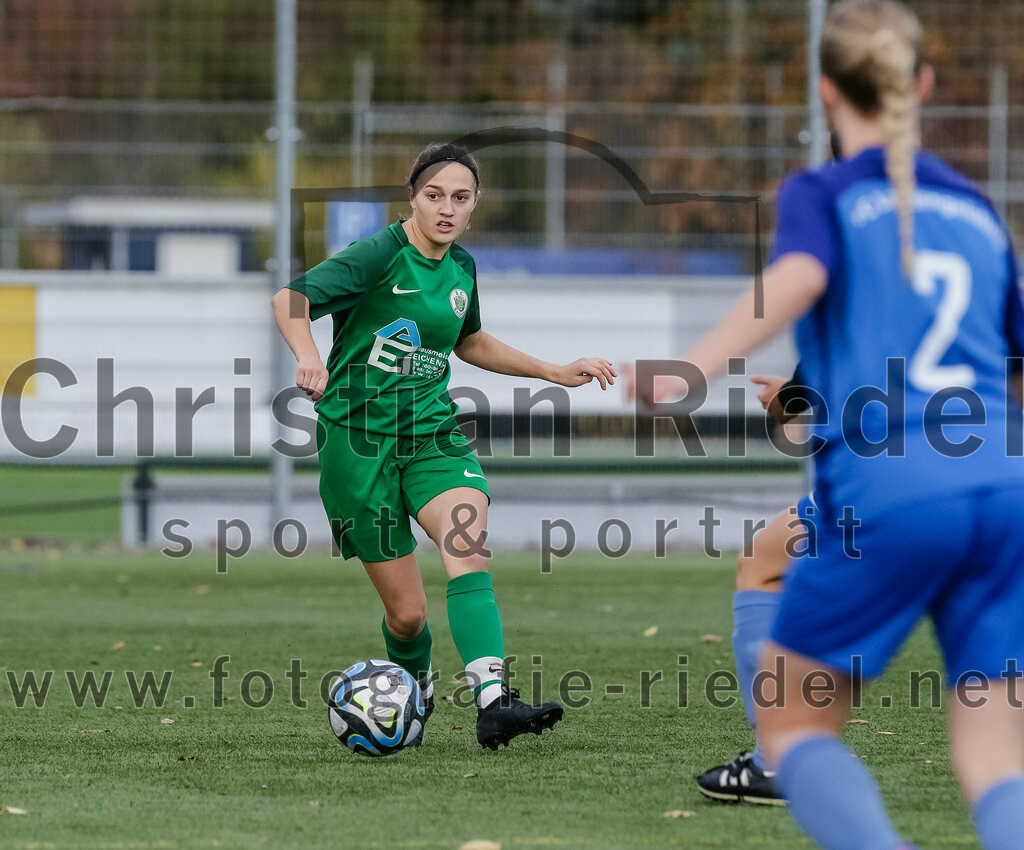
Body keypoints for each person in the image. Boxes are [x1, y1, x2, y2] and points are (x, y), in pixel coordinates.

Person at [673, 2, 1024, 847]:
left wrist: (691, 367)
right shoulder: (976, 210)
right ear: (924, 85)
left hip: (896, 494)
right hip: (1002, 489)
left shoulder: (825, 193)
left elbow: (797, 275)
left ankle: (773, 766)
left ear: (824, 90)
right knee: (998, 753)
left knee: (794, 728)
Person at [271, 142, 617, 750]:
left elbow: (471, 341)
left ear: (475, 203)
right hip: (358, 443)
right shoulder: (380, 252)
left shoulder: (463, 267)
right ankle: (415, 693)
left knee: (467, 539)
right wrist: (307, 356)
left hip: (431, 431)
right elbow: (290, 300)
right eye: (434, 196)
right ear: (413, 198)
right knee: (408, 616)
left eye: (460, 198)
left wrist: (555, 371)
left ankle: (493, 702)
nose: (446, 209)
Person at [695, 370, 816, 806]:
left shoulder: (862, 301)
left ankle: (775, 761)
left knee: (763, 567)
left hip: (887, 480)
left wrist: (790, 394)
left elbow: (841, 349)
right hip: (990, 474)